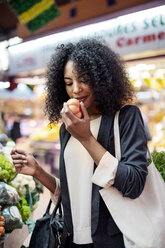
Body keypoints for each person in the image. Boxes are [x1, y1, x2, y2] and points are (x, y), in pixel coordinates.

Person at [11, 38, 148, 248]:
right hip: (72, 239)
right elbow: (73, 191)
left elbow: (134, 183)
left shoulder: (126, 118)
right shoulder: (67, 129)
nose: (75, 89)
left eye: (84, 80)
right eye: (68, 83)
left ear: (100, 79)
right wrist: (38, 172)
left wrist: (86, 138)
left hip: (113, 241)